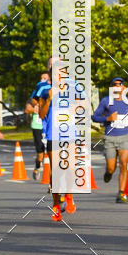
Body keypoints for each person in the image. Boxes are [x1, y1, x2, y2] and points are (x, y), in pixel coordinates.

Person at [36, 65, 76, 222]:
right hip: (53, 134)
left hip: (70, 134)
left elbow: (85, 105)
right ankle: (56, 204)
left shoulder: (73, 89)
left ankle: (68, 194)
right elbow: (41, 114)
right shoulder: (45, 91)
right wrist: (49, 99)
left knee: (71, 168)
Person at [92, 77, 128, 204]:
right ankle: (108, 173)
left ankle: (121, 193)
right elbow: (95, 117)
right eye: (115, 84)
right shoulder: (106, 101)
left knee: (123, 163)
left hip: (125, 137)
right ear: (111, 88)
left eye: (120, 84)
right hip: (110, 138)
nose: (117, 86)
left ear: (124, 88)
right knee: (111, 168)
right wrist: (108, 118)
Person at [26, 71, 49, 179]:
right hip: (38, 126)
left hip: (50, 126)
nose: (42, 80)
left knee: (52, 153)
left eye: (45, 78)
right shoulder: (37, 92)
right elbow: (27, 109)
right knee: (40, 153)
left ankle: (52, 181)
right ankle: (37, 166)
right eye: (41, 78)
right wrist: (35, 109)